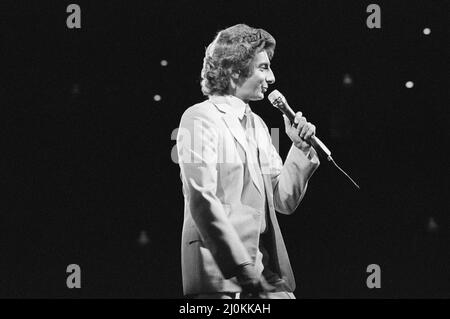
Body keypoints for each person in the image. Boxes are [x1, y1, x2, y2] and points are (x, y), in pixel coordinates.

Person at [176, 24, 320, 299]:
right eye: (263, 68)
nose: (272, 77)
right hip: (220, 274)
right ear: (235, 69)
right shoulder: (198, 118)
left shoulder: (260, 126)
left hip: (266, 271)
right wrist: (242, 267)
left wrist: (300, 148)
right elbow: (201, 197)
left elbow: (283, 200)